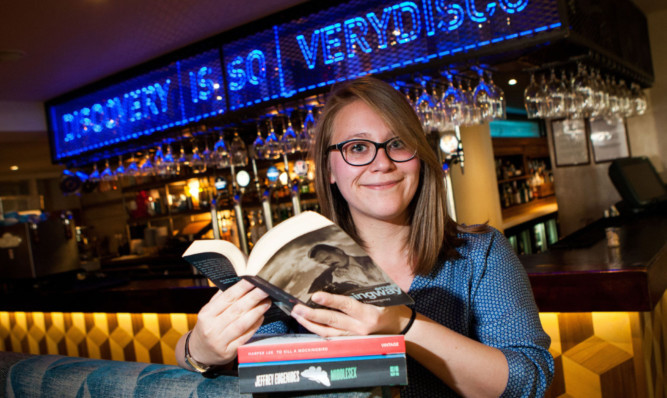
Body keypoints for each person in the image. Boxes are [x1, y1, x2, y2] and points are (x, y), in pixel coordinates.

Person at [176, 76, 554, 397]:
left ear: (419, 156)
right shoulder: (296, 267)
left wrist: (403, 325)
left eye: (398, 143)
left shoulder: (480, 253)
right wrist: (200, 348)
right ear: (328, 169)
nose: (382, 162)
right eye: (357, 147)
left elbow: (529, 380)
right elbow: (246, 361)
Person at [306, 243, 388, 295]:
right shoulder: (329, 277)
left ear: (339, 251)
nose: (328, 263)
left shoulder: (372, 260)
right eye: (323, 262)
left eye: (328, 257)